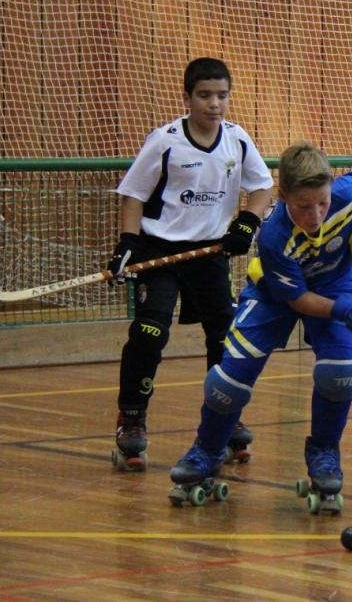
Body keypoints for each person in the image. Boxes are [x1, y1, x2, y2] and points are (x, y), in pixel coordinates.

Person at [168, 141, 352, 509]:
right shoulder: (273, 237)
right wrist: (347, 313)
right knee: (228, 382)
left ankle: (323, 452)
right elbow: (297, 300)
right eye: (304, 206)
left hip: (335, 283)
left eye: (322, 202)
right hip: (275, 294)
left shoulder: (347, 192)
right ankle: (206, 451)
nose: (316, 215)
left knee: (340, 374)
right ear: (283, 195)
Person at [108, 57, 274, 471]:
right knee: (149, 332)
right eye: (204, 96)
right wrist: (127, 243)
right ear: (188, 98)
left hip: (209, 255)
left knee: (224, 335)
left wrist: (248, 221)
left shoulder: (236, 140)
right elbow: (133, 196)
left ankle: (224, 417)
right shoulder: (165, 141)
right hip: (159, 253)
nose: (214, 104)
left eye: (221, 95)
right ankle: (131, 419)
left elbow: (263, 188)